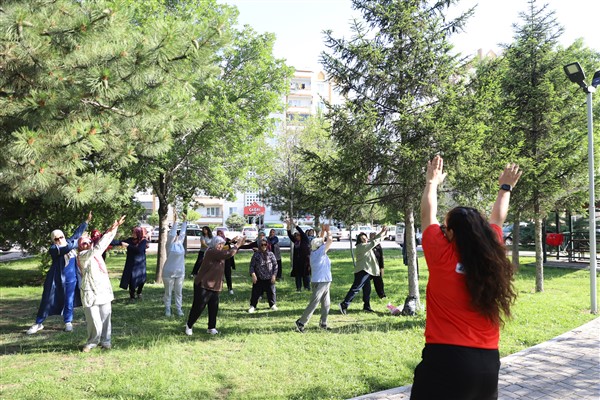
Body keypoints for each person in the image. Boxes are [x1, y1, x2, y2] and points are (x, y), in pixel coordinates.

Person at [410, 156, 521, 400]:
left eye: (445, 228)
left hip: (447, 360)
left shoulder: (442, 255)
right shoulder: (490, 254)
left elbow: (427, 214)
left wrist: (432, 183)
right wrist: (505, 187)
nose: (441, 231)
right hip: (488, 365)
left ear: (451, 233)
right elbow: (498, 218)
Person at [27, 212, 92, 334]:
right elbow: (67, 248)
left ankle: (68, 321)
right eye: (56, 238)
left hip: (71, 279)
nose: (59, 240)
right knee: (47, 301)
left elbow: (77, 234)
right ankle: (38, 323)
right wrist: (77, 242)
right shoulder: (54, 249)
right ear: (53, 240)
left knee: (69, 301)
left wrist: (86, 222)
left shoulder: (69, 242)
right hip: (55, 280)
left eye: (61, 237)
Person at [76, 215, 126, 352]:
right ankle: (92, 341)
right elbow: (98, 247)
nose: (85, 245)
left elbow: (103, 243)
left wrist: (114, 228)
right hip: (89, 290)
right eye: (83, 244)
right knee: (93, 319)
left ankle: (106, 340)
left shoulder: (96, 254)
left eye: (87, 243)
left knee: (106, 315)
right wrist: (110, 229)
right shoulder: (82, 256)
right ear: (80, 246)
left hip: (103, 288)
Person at [185, 234, 245, 336]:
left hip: (215, 285)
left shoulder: (219, 252)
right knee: (198, 307)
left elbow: (228, 250)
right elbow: (228, 254)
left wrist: (235, 243)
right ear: (214, 244)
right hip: (203, 284)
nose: (220, 246)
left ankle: (211, 327)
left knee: (213, 307)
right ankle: (189, 325)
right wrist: (237, 245)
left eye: (221, 244)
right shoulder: (211, 252)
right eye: (219, 244)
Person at [339, 225, 387, 314]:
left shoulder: (366, 245)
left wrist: (381, 232)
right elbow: (373, 243)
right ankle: (344, 304)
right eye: (363, 238)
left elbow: (373, 240)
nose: (365, 239)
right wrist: (383, 236)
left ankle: (366, 306)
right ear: (360, 240)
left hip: (367, 271)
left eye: (365, 238)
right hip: (362, 271)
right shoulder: (361, 247)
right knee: (356, 288)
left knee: (367, 290)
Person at [295, 224, 333, 333]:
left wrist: (323, 230)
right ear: (319, 247)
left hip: (325, 281)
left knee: (326, 304)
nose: (323, 242)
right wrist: (328, 230)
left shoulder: (316, 251)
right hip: (320, 282)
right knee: (314, 303)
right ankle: (301, 323)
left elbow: (321, 240)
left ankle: (323, 323)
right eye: (321, 243)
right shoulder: (319, 253)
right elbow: (330, 240)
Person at [162, 213, 187, 317]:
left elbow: (183, 234)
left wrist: (185, 221)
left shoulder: (180, 244)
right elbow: (172, 233)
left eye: (177, 235)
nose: (177, 236)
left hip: (180, 272)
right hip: (168, 273)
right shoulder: (169, 245)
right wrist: (175, 221)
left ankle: (178, 309)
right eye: (174, 235)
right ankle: (167, 309)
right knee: (168, 293)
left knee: (178, 292)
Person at [247, 237, 279, 313]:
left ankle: (272, 305)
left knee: (271, 292)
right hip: (259, 278)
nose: (264, 246)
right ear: (259, 245)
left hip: (269, 277)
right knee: (255, 293)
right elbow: (252, 266)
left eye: (265, 244)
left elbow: (275, 265)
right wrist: (253, 274)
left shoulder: (271, 254)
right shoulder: (256, 255)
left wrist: (274, 275)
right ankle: (253, 306)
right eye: (262, 245)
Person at [119, 226, 149, 300]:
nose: (133, 234)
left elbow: (138, 250)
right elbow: (120, 242)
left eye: (135, 233)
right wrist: (108, 240)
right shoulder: (130, 240)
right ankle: (132, 296)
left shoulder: (143, 241)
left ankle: (139, 292)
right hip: (131, 263)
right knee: (132, 279)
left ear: (139, 233)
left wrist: (128, 246)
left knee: (142, 279)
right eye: (132, 232)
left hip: (140, 263)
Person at [286, 219, 311, 291]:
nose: (296, 237)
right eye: (296, 235)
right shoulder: (296, 242)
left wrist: (294, 224)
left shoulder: (305, 240)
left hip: (305, 261)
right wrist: (288, 225)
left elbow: (301, 231)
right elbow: (289, 235)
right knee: (298, 275)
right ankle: (298, 288)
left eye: (298, 235)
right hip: (297, 261)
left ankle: (307, 287)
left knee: (306, 275)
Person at [216, 229, 237, 295]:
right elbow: (220, 248)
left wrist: (234, 241)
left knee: (228, 274)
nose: (220, 235)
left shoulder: (227, 239)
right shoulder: (216, 241)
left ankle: (230, 288)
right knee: (219, 275)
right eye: (218, 233)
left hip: (227, 259)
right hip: (219, 259)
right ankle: (218, 288)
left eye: (221, 233)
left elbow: (233, 244)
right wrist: (229, 244)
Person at [369, 232, 386, 299]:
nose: (373, 238)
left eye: (374, 236)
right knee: (364, 283)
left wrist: (382, 268)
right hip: (368, 268)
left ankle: (382, 295)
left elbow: (381, 258)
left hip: (376, 268)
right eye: (371, 236)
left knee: (379, 282)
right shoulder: (367, 246)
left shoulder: (378, 246)